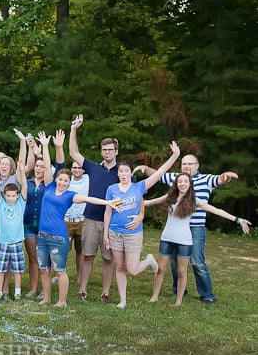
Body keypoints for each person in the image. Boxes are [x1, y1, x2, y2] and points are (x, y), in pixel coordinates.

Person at [134, 155, 239, 304]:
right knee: (174, 263)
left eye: (190, 163)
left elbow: (220, 180)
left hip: (195, 228)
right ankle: (179, 293)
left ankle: (207, 294)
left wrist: (226, 176)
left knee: (196, 261)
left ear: (197, 165)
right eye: (184, 163)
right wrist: (144, 169)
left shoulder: (205, 180)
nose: (186, 166)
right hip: (171, 232)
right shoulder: (176, 181)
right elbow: (158, 175)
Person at [36, 130, 120, 307]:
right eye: (61, 179)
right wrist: (45, 146)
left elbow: (89, 199)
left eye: (66, 181)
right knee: (44, 270)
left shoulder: (70, 195)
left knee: (59, 271)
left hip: (58, 237)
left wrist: (108, 202)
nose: (63, 182)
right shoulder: (49, 186)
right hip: (42, 236)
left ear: (69, 183)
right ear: (56, 179)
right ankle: (46, 298)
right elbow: (46, 163)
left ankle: (62, 301)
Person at [69, 114, 143, 304]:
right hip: (92, 219)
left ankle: (105, 293)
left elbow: (137, 195)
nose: (107, 152)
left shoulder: (123, 173)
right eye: (104, 150)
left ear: (116, 151)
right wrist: (73, 130)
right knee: (87, 256)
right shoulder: (93, 168)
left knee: (108, 259)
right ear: (101, 152)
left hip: (113, 224)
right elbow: (74, 154)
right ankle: (83, 290)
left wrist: (141, 215)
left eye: (110, 149)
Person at [103, 141, 181, 309]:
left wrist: (174, 156)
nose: (123, 174)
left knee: (132, 269)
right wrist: (105, 234)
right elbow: (108, 212)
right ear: (118, 174)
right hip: (115, 232)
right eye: (120, 171)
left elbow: (159, 173)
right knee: (119, 266)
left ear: (131, 173)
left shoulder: (139, 187)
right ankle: (123, 300)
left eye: (126, 171)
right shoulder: (111, 189)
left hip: (133, 233)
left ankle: (149, 261)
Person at [0, 158, 28, 301]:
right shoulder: (1, 204)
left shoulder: (21, 203)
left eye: (13, 196)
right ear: (4, 195)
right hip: (3, 242)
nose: (11, 198)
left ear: (17, 196)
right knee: (0, 269)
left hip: (17, 242)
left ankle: (17, 292)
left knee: (17, 270)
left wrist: (21, 171)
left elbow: (24, 186)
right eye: (8, 196)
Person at [22, 136, 49, 298]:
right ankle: (33, 289)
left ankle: (45, 290)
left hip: (45, 225)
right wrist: (29, 147)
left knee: (45, 260)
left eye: (42, 166)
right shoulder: (27, 182)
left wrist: (42, 149)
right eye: (37, 166)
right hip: (28, 226)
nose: (39, 169)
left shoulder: (51, 184)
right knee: (33, 259)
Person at [65, 161, 89, 284]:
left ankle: (80, 276)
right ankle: (59, 273)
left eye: (80, 168)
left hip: (81, 221)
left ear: (84, 170)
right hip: (67, 220)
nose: (77, 170)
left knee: (80, 251)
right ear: (71, 169)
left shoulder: (88, 179)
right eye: (74, 168)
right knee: (63, 249)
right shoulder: (67, 180)